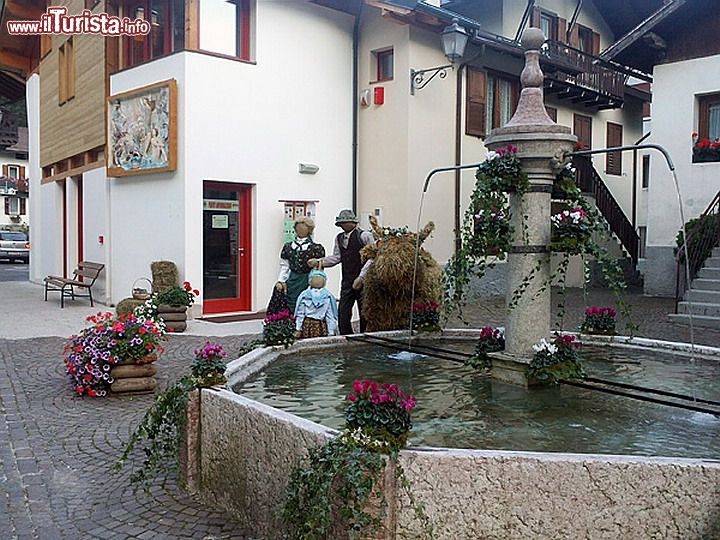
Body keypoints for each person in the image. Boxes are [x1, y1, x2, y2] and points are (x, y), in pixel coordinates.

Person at [308, 209, 374, 335]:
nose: (342, 226)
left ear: (353, 222)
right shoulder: (339, 238)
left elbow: (372, 257)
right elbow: (337, 257)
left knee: (364, 311)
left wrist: (361, 277)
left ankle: (365, 335)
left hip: (363, 280)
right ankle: (346, 335)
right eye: (341, 223)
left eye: (345, 223)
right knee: (343, 311)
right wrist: (319, 262)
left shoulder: (364, 236)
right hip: (347, 280)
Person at [276, 216, 325, 314]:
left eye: (304, 227)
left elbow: (319, 268)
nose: (300, 230)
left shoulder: (316, 248)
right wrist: (281, 280)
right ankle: (291, 325)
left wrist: (316, 281)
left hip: (308, 279)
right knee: (289, 303)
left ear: (309, 230)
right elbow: (285, 265)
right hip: (292, 279)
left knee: (306, 303)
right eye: (298, 228)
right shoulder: (288, 247)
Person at [294, 269, 338, 338]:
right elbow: (300, 313)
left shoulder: (327, 296)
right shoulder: (305, 296)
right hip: (310, 325)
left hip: (318, 325)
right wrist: (298, 328)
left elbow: (330, 315)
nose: (317, 281)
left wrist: (331, 331)